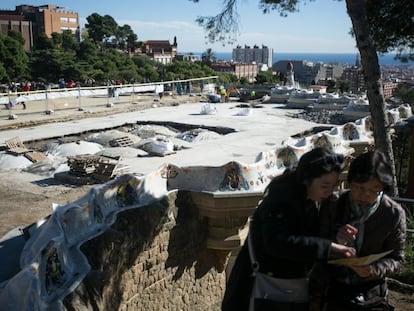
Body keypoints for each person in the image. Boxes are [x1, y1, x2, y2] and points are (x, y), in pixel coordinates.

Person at [222, 147, 356, 311]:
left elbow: (308, 238)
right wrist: (328, 247)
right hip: (259, 291)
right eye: (325, 186)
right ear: (307, 179)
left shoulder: (308, 199)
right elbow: (277, 243)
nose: (330, 192)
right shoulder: (281, 200)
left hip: (288, 290)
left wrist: (336, 238)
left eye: (333, 186)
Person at [314, 150, 407, 311]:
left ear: (382, 189)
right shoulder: (334, 204)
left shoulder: (392, 213)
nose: (364, 195)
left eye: (373, 190)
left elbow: (397, 259)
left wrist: (373, 269)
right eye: (359, 187)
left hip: (371, 291)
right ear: (349, 182)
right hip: (332, 287)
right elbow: (313, 243)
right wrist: (335, 241)